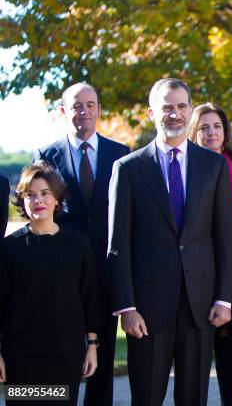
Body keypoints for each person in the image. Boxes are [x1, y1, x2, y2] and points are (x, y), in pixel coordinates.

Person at [107, 78, 232, 405]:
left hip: (201, 305)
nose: (174, 114)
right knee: (147, 397)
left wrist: (224, 298)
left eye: (181, 106)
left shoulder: (216, 166)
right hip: (147, 310)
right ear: (152, 113)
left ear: (190, 111)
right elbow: (117, 245)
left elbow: (224, 238)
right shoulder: (128, 169)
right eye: (167, 107)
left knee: (194, 398)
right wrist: (127, 307)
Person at [33, 82, 130, 406]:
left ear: (99, 110)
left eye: (90, 104)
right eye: (76, 105)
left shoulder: (121, 154)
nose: (83, 111)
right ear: (64, 111)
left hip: (106, 269)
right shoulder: (47, 156)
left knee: (100, 355)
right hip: (63, 272)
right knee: (65, 354)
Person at [0, 161, 100, 405]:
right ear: (22, 201)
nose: (38, 201)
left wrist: (93, 345)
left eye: (45, 193)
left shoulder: (78, 246)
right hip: (20, 358)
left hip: (66, 355)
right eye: (31, 195)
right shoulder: (9, 248)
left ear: (57, 199)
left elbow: (90, 298)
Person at [186, 102, 232, 406]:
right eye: (204, 127)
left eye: (217, 126)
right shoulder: (185, 167)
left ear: (226, 132)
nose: (211, 132)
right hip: (196, 268)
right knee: (197, 350)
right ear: (194, 132)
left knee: (229, 352)